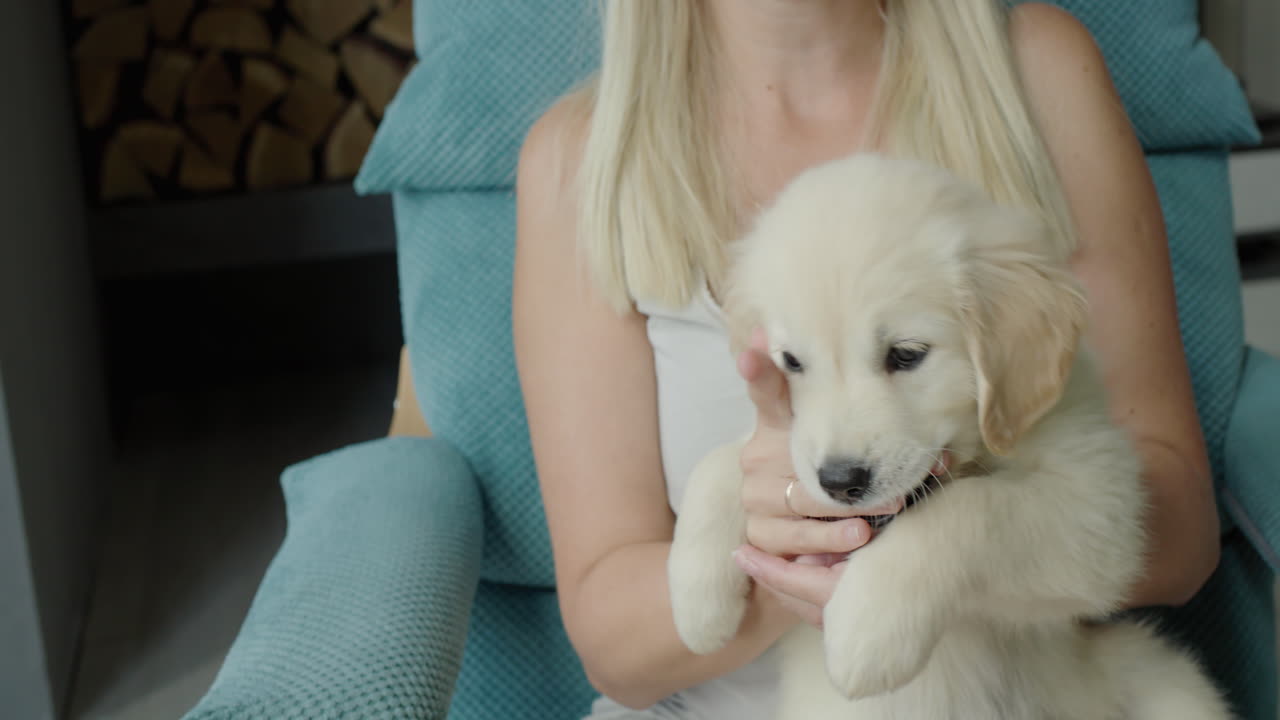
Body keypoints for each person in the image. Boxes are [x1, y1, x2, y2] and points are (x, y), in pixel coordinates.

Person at [510, 1, 1221, 717]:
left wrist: (941, 547)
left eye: (905, 354)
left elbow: (1179, 533)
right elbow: (614, 650)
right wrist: (794, 552)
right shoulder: (581, 159)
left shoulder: (1035, 68)